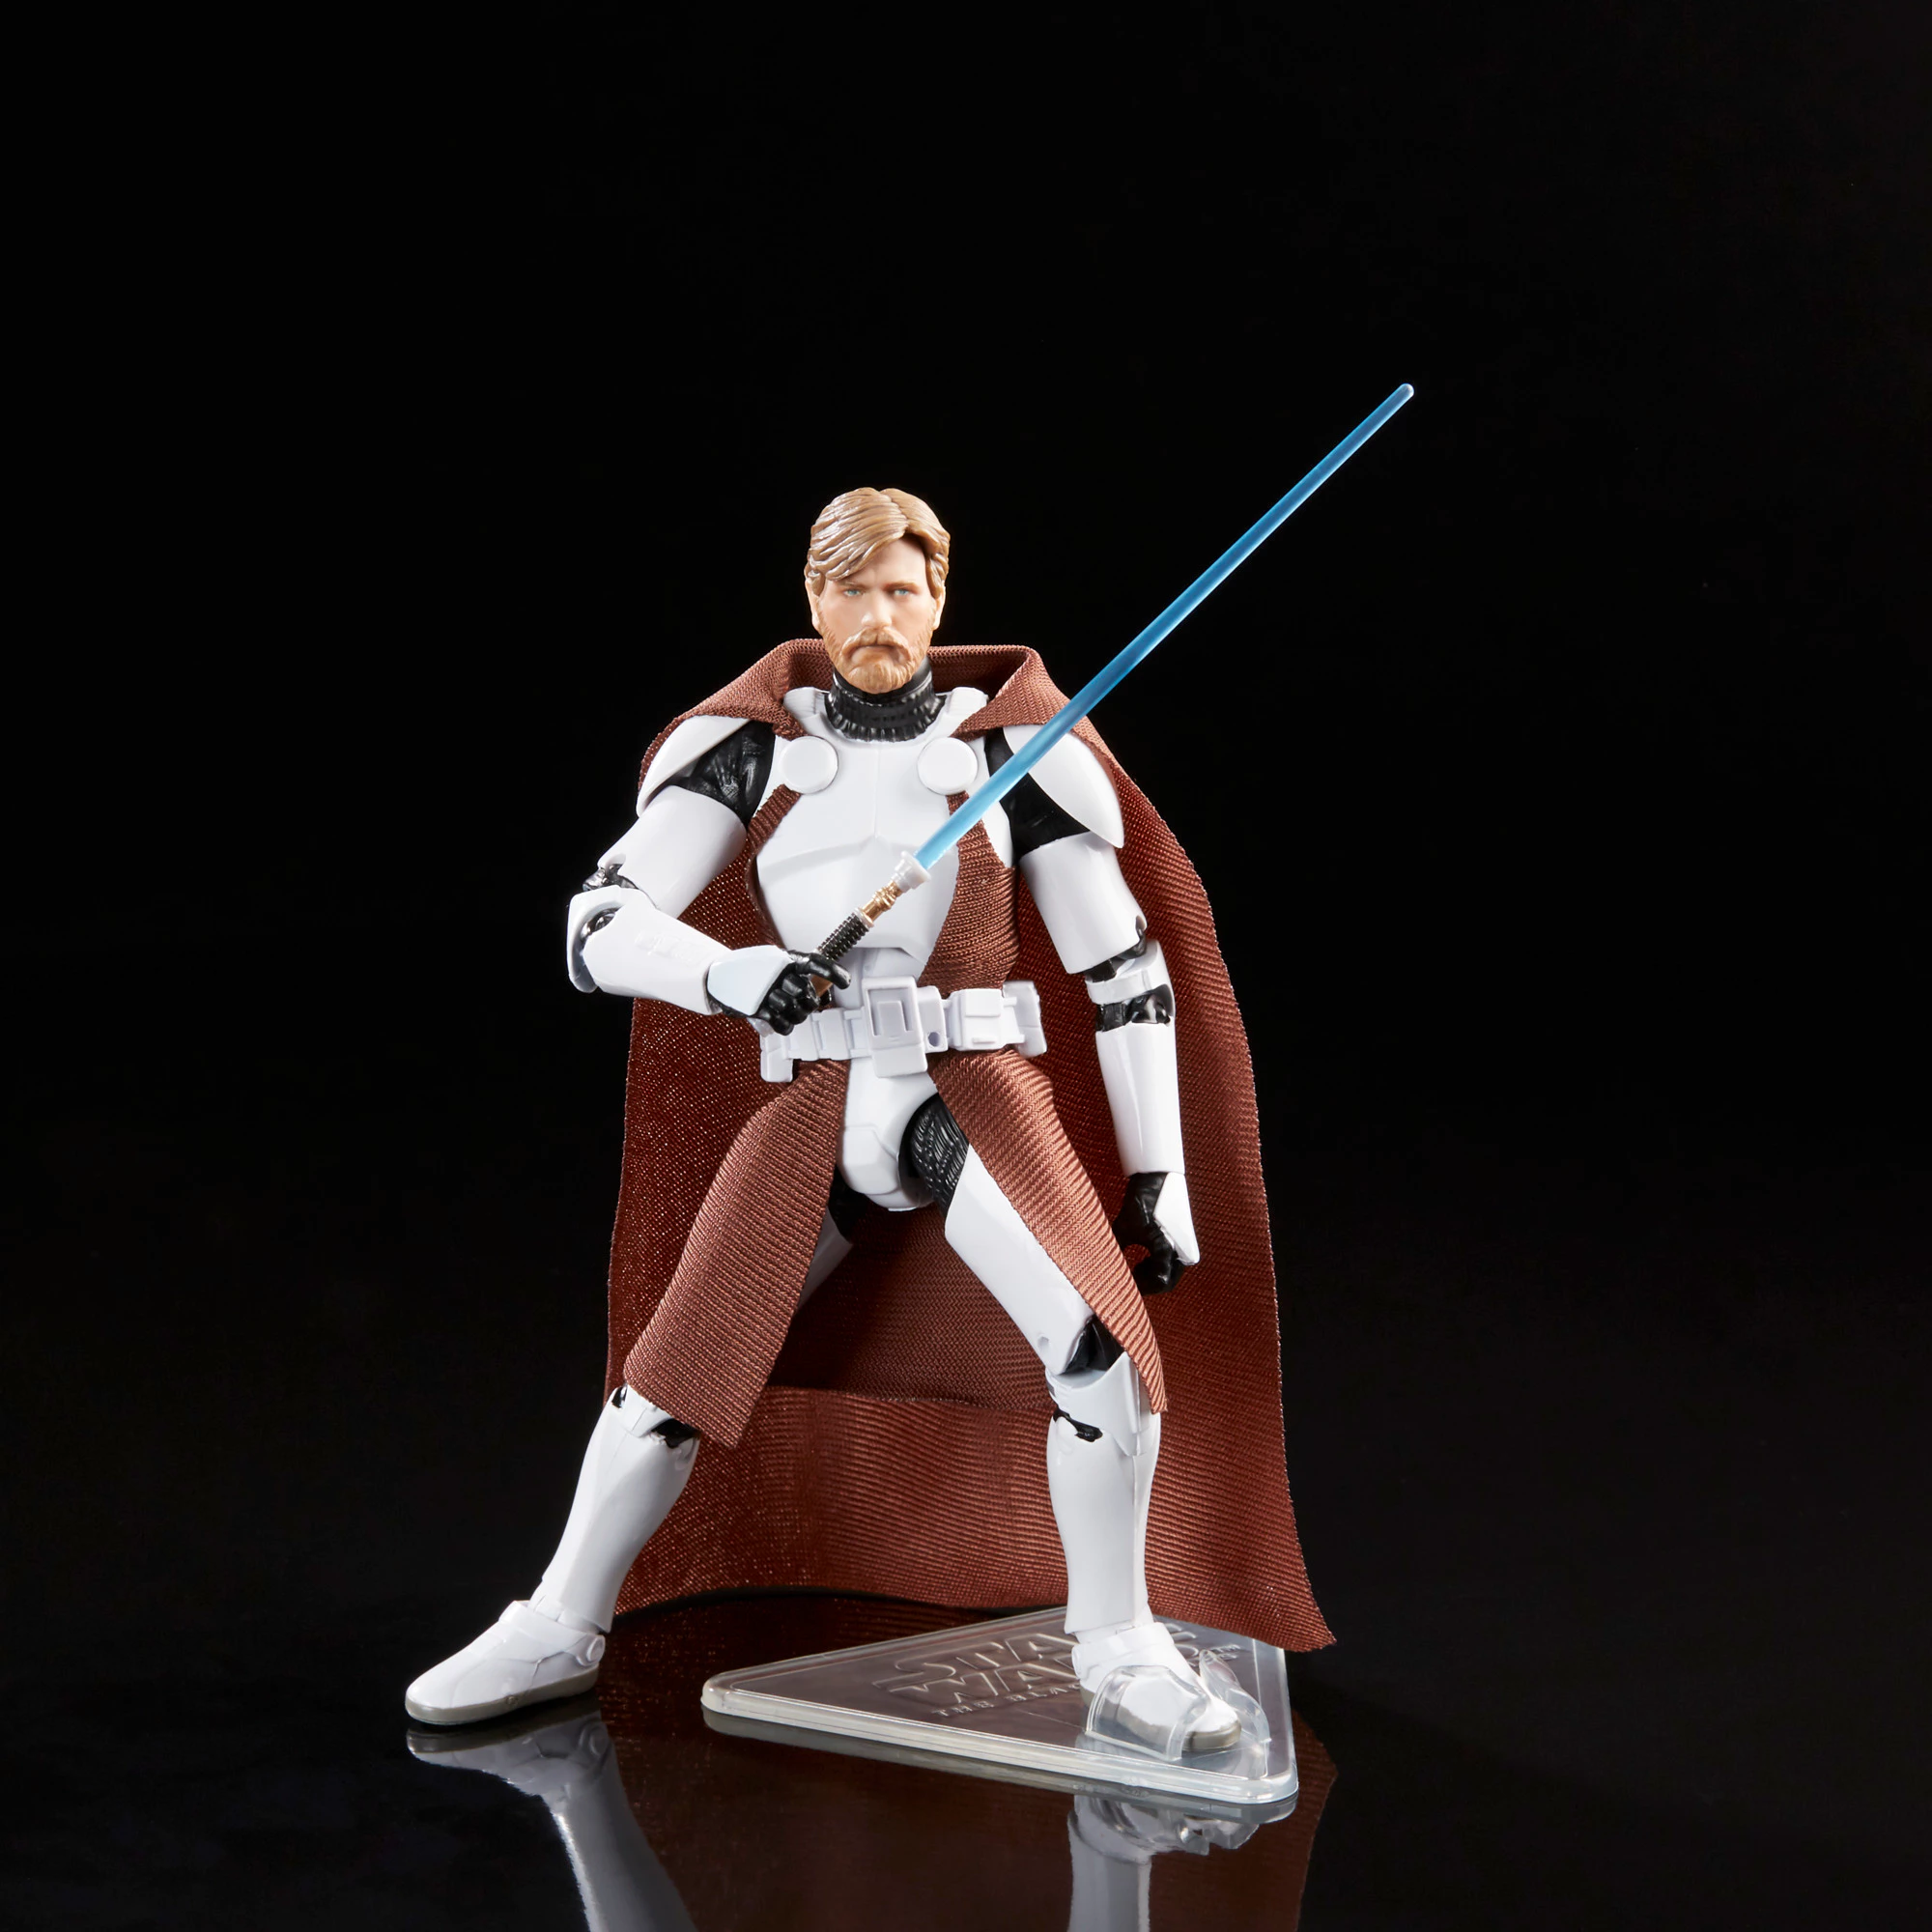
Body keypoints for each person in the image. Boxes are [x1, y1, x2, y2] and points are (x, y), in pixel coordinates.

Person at [406, 488, 1328, 1747]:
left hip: (974, 1090)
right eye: (853, 590)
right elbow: (600, 925)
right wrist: (730, 976)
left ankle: (1118, 1642)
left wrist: (1157, 1172)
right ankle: (563, 1618)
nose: (879, 616)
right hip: (824, 1094)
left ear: (939, 599)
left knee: (1101, 1352)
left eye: (902, 590)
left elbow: (1123, 970)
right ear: (814, 596)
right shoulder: (751, 752)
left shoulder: (1013, 754)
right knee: (673, 1371)